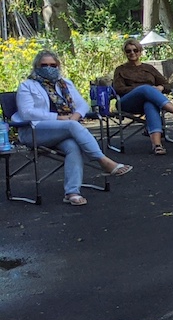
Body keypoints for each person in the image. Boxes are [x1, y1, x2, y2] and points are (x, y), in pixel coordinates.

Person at [11, 50, 133, 206]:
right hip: (34, 131)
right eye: (44, 65)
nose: (49, 68)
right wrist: (58, 118)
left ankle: (72, 192)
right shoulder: (27, 86)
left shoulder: (65, 84)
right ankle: (102, 160)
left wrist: (76, 115)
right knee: (70, 126)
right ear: (36, 66)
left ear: (58, 66)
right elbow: (27, 113)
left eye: (53, 65)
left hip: (63, 129)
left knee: (73, 146)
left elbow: (82, 104)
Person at [111, 39, 173, 155]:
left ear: (140, 51)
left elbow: (167, 84)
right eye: (128, 51)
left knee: (150, 104)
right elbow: (119, 89)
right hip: (127, 102)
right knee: (146, 89)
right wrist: (142, 90)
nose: (132, 53)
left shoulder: (148, 68)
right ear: (125, 53)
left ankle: (157, 145)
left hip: (147, 101)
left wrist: (161, 88)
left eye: (135, 50)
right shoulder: (120, 70)